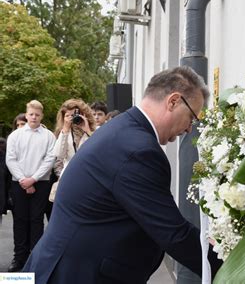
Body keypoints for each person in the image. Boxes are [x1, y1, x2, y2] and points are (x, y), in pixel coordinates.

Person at [23, 67, 221, 283]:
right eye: (192, 118)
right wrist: (240, 268)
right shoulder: (138, 150)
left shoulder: (125, 129)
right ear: (173, 101)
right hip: (75, 274)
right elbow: (173, 233)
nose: (189, 129)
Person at [5, 100, 56, 272]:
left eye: (37, 114)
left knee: (36, 220)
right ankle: (19, 258)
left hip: (40, 183)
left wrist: (33, 179)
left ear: (41, 116)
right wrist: (23, 180)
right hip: (18, 183)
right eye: (31, 114)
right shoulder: (15, 136)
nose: (34, 117)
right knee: (19, 220)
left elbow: (49, 160)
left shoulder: (49, 136)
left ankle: (36, 258)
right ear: (26, 115)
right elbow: (10, 159)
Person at [48, 99, 95, 202]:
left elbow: (97, 152)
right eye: (68, 115)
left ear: (84, 114)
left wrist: (87, 130)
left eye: (75, 114)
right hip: (69, 178)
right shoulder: (64, 134)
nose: (72, 118)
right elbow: (59, 154)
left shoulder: (95, 131)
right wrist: (65, 129)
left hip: (89, 177)